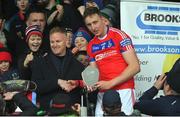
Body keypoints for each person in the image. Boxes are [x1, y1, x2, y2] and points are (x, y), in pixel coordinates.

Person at [83, 7, 140, 116]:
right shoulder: (90, 45)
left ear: (103, 20)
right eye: (89, 25)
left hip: (124, 90)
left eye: (95, 22)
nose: (93, 27)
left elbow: (135, 66)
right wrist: (90, 83)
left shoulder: (119, 36)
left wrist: (110, 84)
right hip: (103, 92)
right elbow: (94, 73)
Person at [30, 26, 84, 111]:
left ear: (66, 41)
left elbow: (82, 90)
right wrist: (57, 82)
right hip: (47, 110)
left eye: (58, 41)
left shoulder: (78, 65)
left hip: (71, 111)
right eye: (52, 42)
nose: (54, 45)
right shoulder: (39, 62)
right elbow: (35, 86)